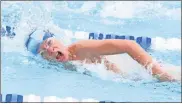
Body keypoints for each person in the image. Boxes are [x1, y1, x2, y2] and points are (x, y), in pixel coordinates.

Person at [26, 29, 175, 82]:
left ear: (58, 38)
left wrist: (158, 73)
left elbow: (130, 45)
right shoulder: (61, 65)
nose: (50, 50)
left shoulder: (81, 48)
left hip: (143, 68)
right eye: (43, 51)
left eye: (50, 43)